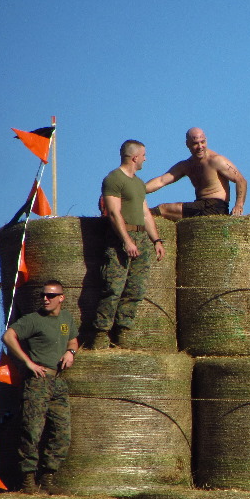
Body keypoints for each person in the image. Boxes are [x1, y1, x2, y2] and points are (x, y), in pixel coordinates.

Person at [2, 280, 79, 494]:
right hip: (38, 381)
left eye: (51, 295)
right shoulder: (33, 320)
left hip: (58, 382)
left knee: (62, 433)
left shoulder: (66, 318)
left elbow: (73, 340)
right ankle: (28, 480)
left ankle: (48, 477)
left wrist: (70, 352)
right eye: (43, 295)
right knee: (32, 430)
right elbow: (8, 336)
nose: (46, 299)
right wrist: (28, 362)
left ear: (61, 298)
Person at [91, 139, 165, 349]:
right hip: (120, 238)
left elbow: (145, 213)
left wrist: (156, 240)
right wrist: (127, 241)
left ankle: (122, 333)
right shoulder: (114, 179)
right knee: (113, 288)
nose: (145, 159)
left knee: (136, 289)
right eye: (143, 155)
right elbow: (114, 213)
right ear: (134, 157)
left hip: (141, 238)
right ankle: (101, 336)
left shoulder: (139, 183)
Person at [145, 127, 247, 219]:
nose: (200, 146)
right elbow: (161, 180)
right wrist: (139, 190)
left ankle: (140, 220)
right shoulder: (187, 165)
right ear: (187, 144)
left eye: (202, 142)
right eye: (195, 143)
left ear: (206, 141)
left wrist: (239, 205)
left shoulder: (216, 160)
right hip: (200, 205)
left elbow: (241, 180)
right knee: (158, 212)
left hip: (215, 207)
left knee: (162, 209)